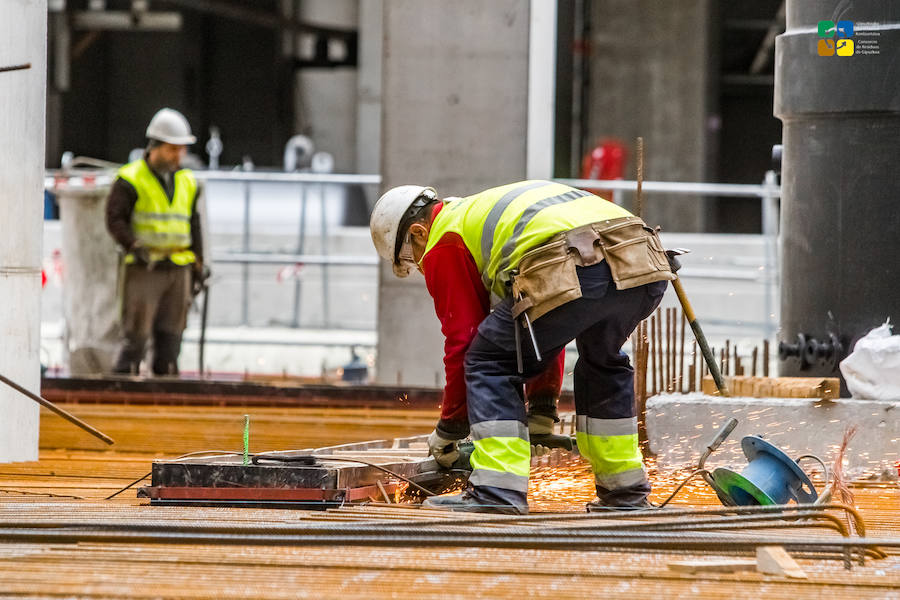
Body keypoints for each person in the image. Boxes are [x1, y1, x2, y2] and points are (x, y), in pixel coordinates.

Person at [370, 180, 675, 514]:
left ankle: (497, 491)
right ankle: (625, 494)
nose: (420, 265)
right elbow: (542, 327)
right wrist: (541, 412)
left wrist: (449, 429)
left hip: (575, 263)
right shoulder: (482, 220)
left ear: (417, 233)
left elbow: (464, 341)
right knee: (603, 361)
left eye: (411, 259)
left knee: (487, 360)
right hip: (643, 259)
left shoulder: (443, 239)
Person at [106, 108, 207, 376]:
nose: (179, 156)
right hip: (145, 267)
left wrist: (199, 261)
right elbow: (115, 219)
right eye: (172, 149)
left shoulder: (187, 181)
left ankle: (165, 389)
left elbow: (194, 224)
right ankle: (122, 391)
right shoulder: (130, 179)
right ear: (155, 147)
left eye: (181, 150)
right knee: (135, 339)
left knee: (171, 340)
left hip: (178, 268)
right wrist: (133, 246)